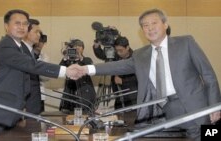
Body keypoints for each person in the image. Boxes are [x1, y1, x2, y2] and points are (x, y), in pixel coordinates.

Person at [72, 8, 221, 141]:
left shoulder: (186, 43)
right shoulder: (140, 55)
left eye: (154, 23)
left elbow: (209, 76)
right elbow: (117, 66)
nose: (150, 28)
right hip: (163, 111)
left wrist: (215, 106)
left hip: (195, 107)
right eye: (145, 25)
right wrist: (85, 69)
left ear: (165, 24)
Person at [0, 9, 81, 141]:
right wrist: (66, 71)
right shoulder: (5, 47)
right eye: (17, 23)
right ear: (6, 26)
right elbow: (32, 65)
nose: (21, 27)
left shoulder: (18, 47)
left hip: (10, 116)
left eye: (25, 24)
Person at [59, 39, 96, 114]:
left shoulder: (86, 59)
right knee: (67, 113)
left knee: (85, 112)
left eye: (80, 46)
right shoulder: (67, 61)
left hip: (84, 90)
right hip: (70, 90)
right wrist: (65, 58)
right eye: (76, 46)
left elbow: (91, 68)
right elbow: (60, 69)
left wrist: (80, 58)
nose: (78, 48)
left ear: (83, 48)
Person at [21, 19, 42, 115]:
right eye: (36, 32)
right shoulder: (20, 51)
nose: (39, 35)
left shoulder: (30, 51)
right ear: (26, 32)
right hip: (26, 105)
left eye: (40, 32)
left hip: (33, 103)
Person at [112, 36, 138, 110]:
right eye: (116, 50)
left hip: (132, 98)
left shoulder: (135, 58)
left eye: (121, 50)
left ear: (127, 47)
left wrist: (123, 81)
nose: (118, 53)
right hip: (119, 96)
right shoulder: (116, 57)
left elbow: (140, 77)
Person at [33, 32, 49, 112]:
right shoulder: (26, 54)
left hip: (41, 94)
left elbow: (46, 77)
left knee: (40, 120)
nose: (40, 44)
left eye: (42, 42)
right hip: (28, 95)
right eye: (39, 42)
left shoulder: (44, 56)